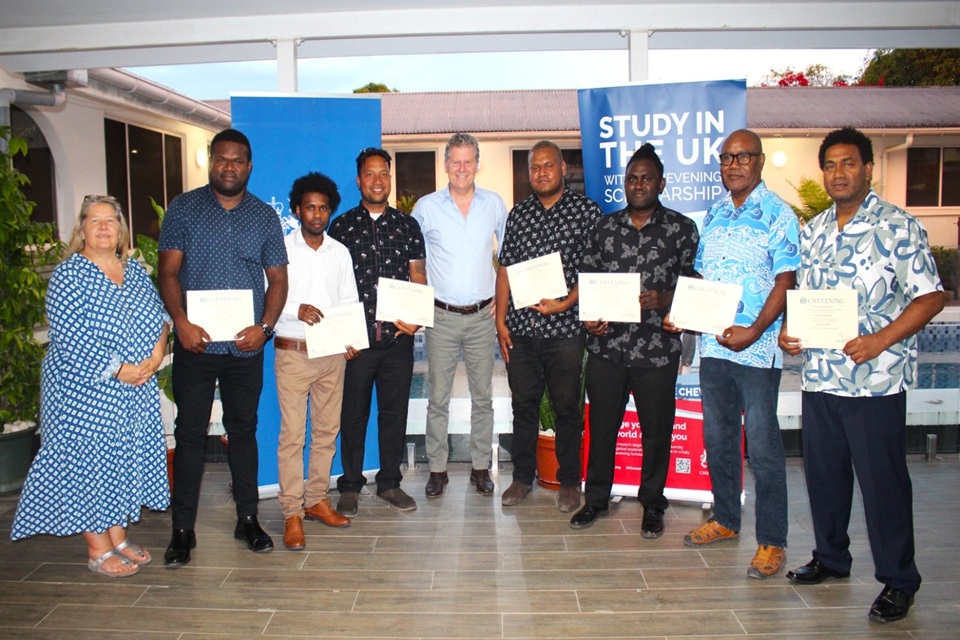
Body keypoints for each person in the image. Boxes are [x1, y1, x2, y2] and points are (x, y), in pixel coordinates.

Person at [779, 127, 943, 623]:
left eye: (848, 163)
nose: (838, 173)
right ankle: (831, 558)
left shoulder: (898, 226)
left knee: (882, 483)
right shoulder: (813, 230)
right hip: (821, 377)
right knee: (824, 478)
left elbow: (931, 295)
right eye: (829, 165)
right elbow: (805, 296)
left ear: (868, 168)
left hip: (874, 380)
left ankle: (899, 579)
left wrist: (881, 339)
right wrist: (791, 328)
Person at [11, 195, 170, 578]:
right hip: (84, 392)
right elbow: (71, 337)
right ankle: (97, 548)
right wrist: (120, 370)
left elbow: (160, 316)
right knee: (88, 464)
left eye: (110, 221)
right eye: (94, 220)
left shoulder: (131, 271)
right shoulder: (70, 275)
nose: (102, 226)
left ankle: (117, 537)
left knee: (119, 460)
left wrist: (157, 351)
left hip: (134, 391)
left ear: (120, 231)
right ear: (81, 229)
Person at [666, 129, 800, 580]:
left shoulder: (779, 214)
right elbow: (702, 275)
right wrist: (682, 314)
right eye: (726, 158)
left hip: (758, 352)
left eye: (742, 157)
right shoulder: (717, 213)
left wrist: (755, 330)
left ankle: (772, 542)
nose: (733, 165)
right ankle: (725, 518)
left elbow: (785, 282)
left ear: (760, 162)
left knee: (762, 448)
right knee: (718, 440)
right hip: (716, 349)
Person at [158, 128, 288, 567]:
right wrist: (180, 323)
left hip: (245, 349)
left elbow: (279, 280)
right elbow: (169, 273)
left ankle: (247, 519)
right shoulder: (183, 208)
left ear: (249, 167)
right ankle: (182, 530)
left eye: (238, 161)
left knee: (244, 433)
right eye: (222, 159)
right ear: (211, 162)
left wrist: (265, 328)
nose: (229, 167)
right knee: (190, 435)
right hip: (195, 347)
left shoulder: (264, 217)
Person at [571, 144, 699, 532]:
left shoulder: (682, 229)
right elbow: (587, 282)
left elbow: (696, 285)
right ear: (623, 184)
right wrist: (589, 320)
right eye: (632, 178)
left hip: (657, 351)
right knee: (602, 430)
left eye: (646, 178)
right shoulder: (604, 228)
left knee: (656, 433)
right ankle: (595, 500)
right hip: (607, 349)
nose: (638, 184)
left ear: (661, 183)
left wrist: (665, 299)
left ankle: (653, 505)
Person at [495, 140, 600, 513]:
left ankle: (570, 481)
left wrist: (566, 303)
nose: (541, 173)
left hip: (567, 329)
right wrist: (500, 321)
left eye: (548, 166)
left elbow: (593, 271)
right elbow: (505, 268)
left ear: (563, 168)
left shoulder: (587, 211)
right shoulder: (519, 214)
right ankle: (522, 478)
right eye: (535, 167)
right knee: (523, 406)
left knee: (568, 407)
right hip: (521, 330)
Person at [328, 148, 426, 516]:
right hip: (356, 342)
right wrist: (339, 334)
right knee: (352, 415)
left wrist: (416, 318)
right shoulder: (340, 227)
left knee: (393, 413)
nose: (378, 180)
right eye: (370, 174)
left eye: (383, 173)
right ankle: (350, 486)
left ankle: (389, 482)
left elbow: (418, 275)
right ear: (359, 180)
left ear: (390, 177)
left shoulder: (407, 225)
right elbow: (332, 284)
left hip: (397, 339)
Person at [412, 132, 508, 498]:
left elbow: (508, 258)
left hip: (484, 314)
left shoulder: (495, 205)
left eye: (469, 161)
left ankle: (480, 467)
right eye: (456, 162)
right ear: (446, 165)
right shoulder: (426, 208)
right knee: (438, 397)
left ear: (477, 164)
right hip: (442, 317)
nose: (462, 168)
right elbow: (414, 262)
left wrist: (504, 299)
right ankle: (437, 469)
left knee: (482, 397)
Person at [274, 172, 359, 550]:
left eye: (323, 208)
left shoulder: (339, 252)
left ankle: (316, 500)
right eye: (310, 207)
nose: (317, 214)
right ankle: (292, 512)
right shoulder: (280, 249)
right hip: (293, 351)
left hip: (331, 355)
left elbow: (348, 301)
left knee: (326, 431)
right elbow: (268, 298)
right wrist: (297, 309)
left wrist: (352, 340)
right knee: (293, 436)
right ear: (296, 210)